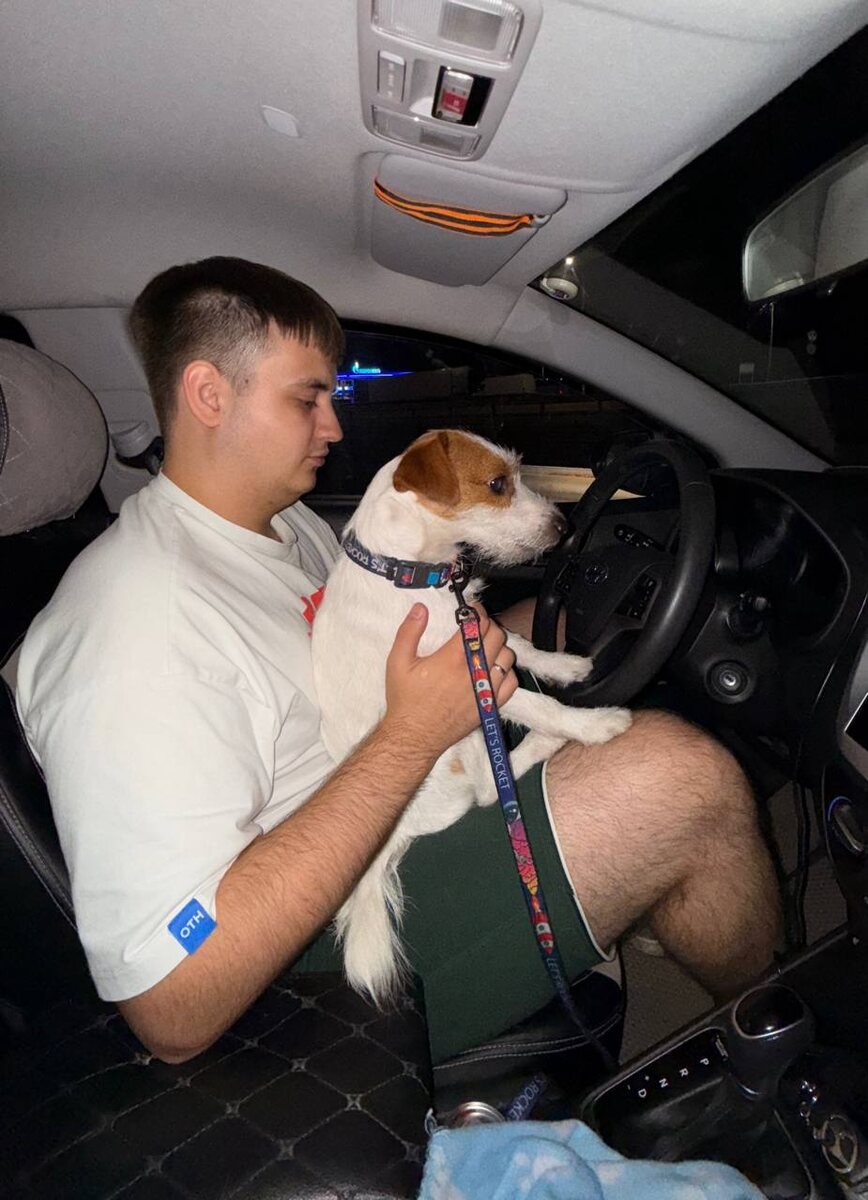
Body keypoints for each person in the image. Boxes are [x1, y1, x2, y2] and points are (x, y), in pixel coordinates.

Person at [16, 257, 780, 1066]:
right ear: (209, 395)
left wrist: (557, 623)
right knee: (684, 781)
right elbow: (175, 1007)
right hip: (318, 948)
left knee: (579, 650)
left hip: (397, 812)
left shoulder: (287, 528)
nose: (335, 427)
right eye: (307, 399)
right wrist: (412, 736)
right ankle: (782, 1036)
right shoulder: (133, 625)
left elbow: (395, 655)